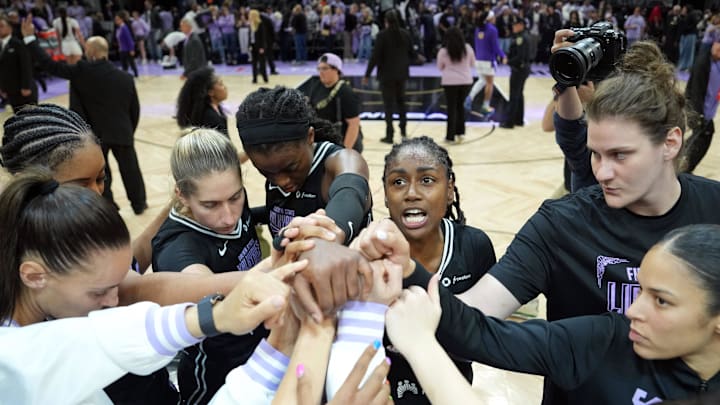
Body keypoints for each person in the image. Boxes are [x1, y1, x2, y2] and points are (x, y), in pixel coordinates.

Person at [0, 173, 297, 404]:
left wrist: (274, 268)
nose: (115, 300)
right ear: (34, 276)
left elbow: (164, 292)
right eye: (99, 292)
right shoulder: (13, 363)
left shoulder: (59, 297)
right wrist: (214, 317)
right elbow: (101, 340)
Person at [384, 223, 720, 404]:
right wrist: (409, 269)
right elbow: (484, 335)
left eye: (661, 301)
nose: (632, 309)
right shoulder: (605, 340)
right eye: (641, 290)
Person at [151, 129, 265, 403]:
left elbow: (244, 220)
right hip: (216, 372)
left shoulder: (229, 201)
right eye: (210, 205)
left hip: (260, 346)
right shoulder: (178, 248)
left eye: (235, 197)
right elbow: (201, 287)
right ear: (181, 195)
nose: (228, 216)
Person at [381, 136, 496, 403]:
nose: (411, 192)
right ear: (385, 195)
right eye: (398, 182)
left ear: (450, 190)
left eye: (427, 180)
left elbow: (485, 336)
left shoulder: (474, 246)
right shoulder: (371, 250)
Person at [21, 18, 148, 215]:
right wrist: (128, 130)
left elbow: (49, 65)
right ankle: (139, 204)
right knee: (131, 170)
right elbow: (135, 109)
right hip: (122, 130)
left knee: (101, 173)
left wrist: (30, 38)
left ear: (91, 52)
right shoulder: (125, 77)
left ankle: (108, 206)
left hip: (94, 134)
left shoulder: (82, 71)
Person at [236, 86, 372, 245]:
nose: (281, 181)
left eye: (291, 167)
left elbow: (350, 193)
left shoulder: (342, 161)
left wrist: (326, 235)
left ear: (310, 136)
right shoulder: (279, 167)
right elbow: (284, 211)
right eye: (266, 172)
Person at [362, 10, 414, 144]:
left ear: (386, 21)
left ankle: (389, 135)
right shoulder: (405, 34)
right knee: (402, 104)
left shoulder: (382, 35)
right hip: (402, 75)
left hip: (386, 76)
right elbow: (413, 54)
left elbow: (375, 57)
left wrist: (367, 74)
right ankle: (403, 132)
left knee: (388, 106)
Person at [307, 53, 363, 152]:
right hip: (324, 143)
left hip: (341, 143)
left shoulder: (346, 92)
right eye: (319, 69)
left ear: (336, 70)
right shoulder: (317, 86)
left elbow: (354, 124)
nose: (321, 72)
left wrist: (344, 151)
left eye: (324, 68)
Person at [682, 39, 719, 173]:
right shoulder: (703, 62)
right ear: (714, 44)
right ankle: (683, 169)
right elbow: (696, 90)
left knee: (699, 139)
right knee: (699, 139)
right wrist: (699, 115)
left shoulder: (716, 63)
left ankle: (685, 168)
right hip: (697, 109)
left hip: (707, 111)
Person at [437, 27, 475, 144]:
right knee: (460, 107)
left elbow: (440, 67)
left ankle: (450, 137)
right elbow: (472, 64)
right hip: (465, 81)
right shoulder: (468, 49)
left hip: (449, 82)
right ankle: (460, 132)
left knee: (451, 108)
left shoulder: (443, 51)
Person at [466, 11, 506, 115]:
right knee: (489, 83)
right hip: (488, 61)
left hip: (478, 59)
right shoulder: (492, 30)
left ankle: (469, 98)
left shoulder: (478, 28)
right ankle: (485, 106)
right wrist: (503, 55)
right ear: (491, 18)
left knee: (482, 80)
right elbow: (495, 47)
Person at [175, 67, 229, 136]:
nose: (225, 87)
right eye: (221, 84)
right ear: (210, 92)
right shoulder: (211, 119)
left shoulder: (214, 108)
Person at [0, 15, 36, 113]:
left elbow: (26, 66)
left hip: (24, 90)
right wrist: (2, 87)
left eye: (1, 26)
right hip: (11, 90)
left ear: (10, 28)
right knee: (19, 121)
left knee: (32, 120)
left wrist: (26, 86)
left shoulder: (18, 44)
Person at [500, 17, 531, 129]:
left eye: (515, 25)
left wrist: (508, 61)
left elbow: (520, 56)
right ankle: (519, 119)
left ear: (521, 25)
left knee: (514, 95)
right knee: (519, 94)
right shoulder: (522, 36)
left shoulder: (521, 38)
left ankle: (510, 122)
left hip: (519, 69)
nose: (513, 27)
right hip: (523, 69)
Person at [114, 11, 138, 78]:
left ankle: (136, 74)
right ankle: (125, 76)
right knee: (124, 64)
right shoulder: (118, 28)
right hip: (122, 49)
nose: (116, 21)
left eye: (117, 19)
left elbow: (129, 39)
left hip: (127, 49)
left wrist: (132, 49)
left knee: (131, 63)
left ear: (121, 19)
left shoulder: (124, 28)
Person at [249, 9, 269, 84]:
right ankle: (254, 78)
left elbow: (263, 37)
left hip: (260, 46)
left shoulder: (260, 24)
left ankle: (265, 78)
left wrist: (262, 47)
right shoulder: (250, 24)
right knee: (253, 63)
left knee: (262, 63)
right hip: (253, 46)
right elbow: (250, 36)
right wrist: (249, 45)